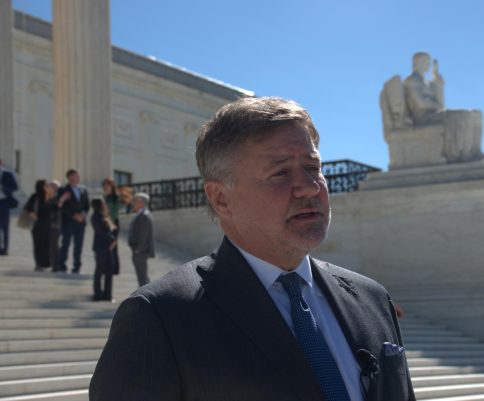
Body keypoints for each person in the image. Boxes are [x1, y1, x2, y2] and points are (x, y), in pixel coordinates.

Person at [90, 97, 415, 401]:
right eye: (281, 173)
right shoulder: (158, 318)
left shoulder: (372, 298)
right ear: (220, 198)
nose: (309, 186)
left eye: (313, 167)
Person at [56, 169, 89, 273]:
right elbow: (62, 207)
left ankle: (77, 266)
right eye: (75, 176)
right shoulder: (63, 190)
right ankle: (62, 265)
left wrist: (83, 215)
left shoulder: (83, 189)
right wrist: (74, 215)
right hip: (68, 222)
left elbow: (87, 205)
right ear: (70, 177)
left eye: (78, 176)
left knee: (78, 245)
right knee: (65, 243)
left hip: (80, 223)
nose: (77, 178)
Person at [24, 180, 59, 270]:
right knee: (38, 244)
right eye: (46, 185)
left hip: (49, 224)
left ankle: (46, 263)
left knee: (47, 244)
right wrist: (32, 213)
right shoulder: (35, 196)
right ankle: (38, 263)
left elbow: (56, 208)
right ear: (42, 187)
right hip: (37, 224)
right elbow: (28, 207)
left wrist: (54, 199)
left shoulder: (52, 197)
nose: (49, 187)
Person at [90, 198, 117, 302]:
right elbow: (101, 231)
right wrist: (113, 239)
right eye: (103, 203)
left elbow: (112, 229)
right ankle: (97, 294)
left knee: (110, 270)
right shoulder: (95, 217)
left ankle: (108, 294)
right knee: (99, 270)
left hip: (108, 247)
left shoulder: (105, 216)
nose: (105, 204)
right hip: (100, 247)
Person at [127, 192, 154, 286]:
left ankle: (145, 297)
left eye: (136, 200)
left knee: (142, 277)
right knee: (142, 276)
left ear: (141, 202)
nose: (133, 202)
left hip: (141, 251)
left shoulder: (144, 215)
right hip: (140, 250)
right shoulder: (142, 213)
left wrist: (138, 249)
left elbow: (144, 234)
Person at [102, 178, 121, 275]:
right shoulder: (103, 197)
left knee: (113, 246)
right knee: (106, 246)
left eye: (107, 185)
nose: (105, 187)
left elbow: (114, 212)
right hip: (106, 223)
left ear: (111, 186)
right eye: (104, 185)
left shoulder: (115, 197)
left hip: (113, 223)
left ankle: (115, 269)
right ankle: (107, 267)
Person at [0, 159, 19, 256]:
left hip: (3, 202)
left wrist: (4, 188)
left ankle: (4, 248)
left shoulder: (7, 174)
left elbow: (15, 187)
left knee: (4, 226)